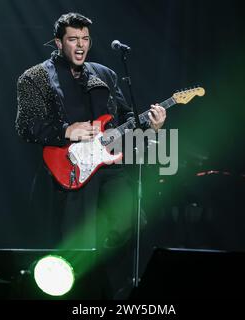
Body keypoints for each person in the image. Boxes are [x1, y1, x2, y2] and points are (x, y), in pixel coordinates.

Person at [15, 12, 166, 297]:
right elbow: (26, 126)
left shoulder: (105, 74)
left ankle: (108, 283)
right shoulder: (35, 77)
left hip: (107, 167)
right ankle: (82, 290)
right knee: (75, 242)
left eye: (85, 39)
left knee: (132, 220)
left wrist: (152, 126)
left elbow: (123, 119)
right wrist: (65, 130)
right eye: (73, 39)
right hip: (66, 168)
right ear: (58, 43)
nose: (80, 45)